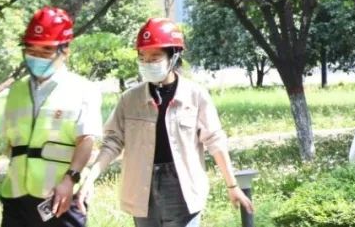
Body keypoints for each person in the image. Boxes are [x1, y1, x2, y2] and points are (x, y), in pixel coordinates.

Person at [81, 18, 252, 227]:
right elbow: (112, 142)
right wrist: (90, 179)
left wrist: (232, 185)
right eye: (143, 57)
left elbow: (215, 140)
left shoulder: (195, 95)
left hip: (183, 189)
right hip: (142, 190)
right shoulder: (129, 99)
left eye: (155, 57)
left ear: (173, 56)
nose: (147, 63)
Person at [0, 7, 102, 227]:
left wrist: (70, 179)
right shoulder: (16, 90)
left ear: (65, 51)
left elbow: (86, 140)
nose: (37, 57)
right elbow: (11, 142)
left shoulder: (82, 89)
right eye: (31, 50)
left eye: (46, 50)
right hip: (16, 195)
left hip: (59, 195)